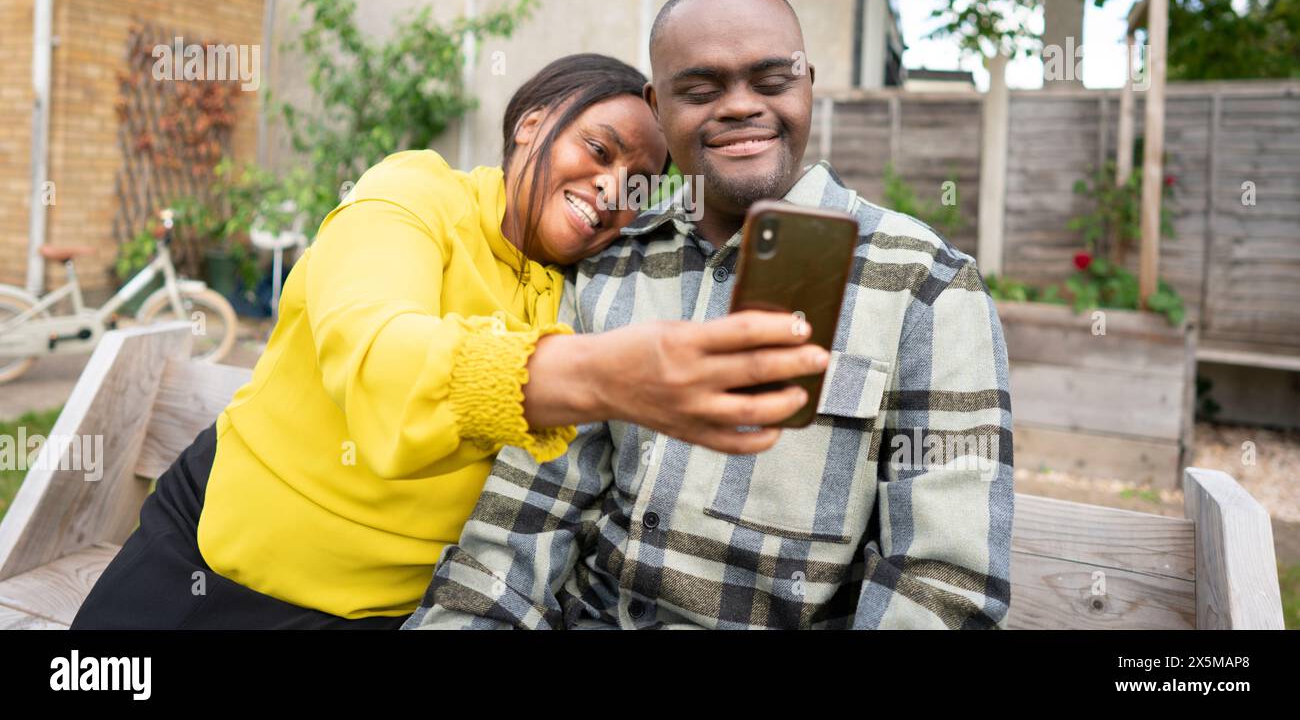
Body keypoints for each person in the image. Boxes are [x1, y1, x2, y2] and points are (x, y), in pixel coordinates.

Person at [72, 52, 828, 629]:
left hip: (387, 616)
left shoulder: (591, 290)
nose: (611, 190)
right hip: (201, 564)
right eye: (599, 150)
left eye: (638, 182)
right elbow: (377, 353)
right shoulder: (413, 196)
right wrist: (593, 374)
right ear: (532, 124)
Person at [405, 0, 1015, 630]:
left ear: (808, 81)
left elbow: (945, 584)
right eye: (700, 90)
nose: (739, 107)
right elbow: (527, 516)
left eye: (772, 80)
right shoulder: (610, 264)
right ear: (657, 105)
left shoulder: (925, 282)